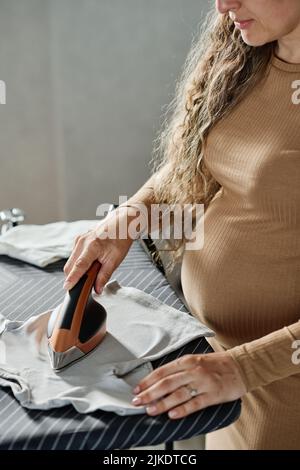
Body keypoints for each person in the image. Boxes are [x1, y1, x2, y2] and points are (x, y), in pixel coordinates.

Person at [63, 0, 300, 450]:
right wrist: (131, 215)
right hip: (225, 380)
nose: (223, 4)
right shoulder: (247, 58)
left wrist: (244, 368)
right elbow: (191, 170)